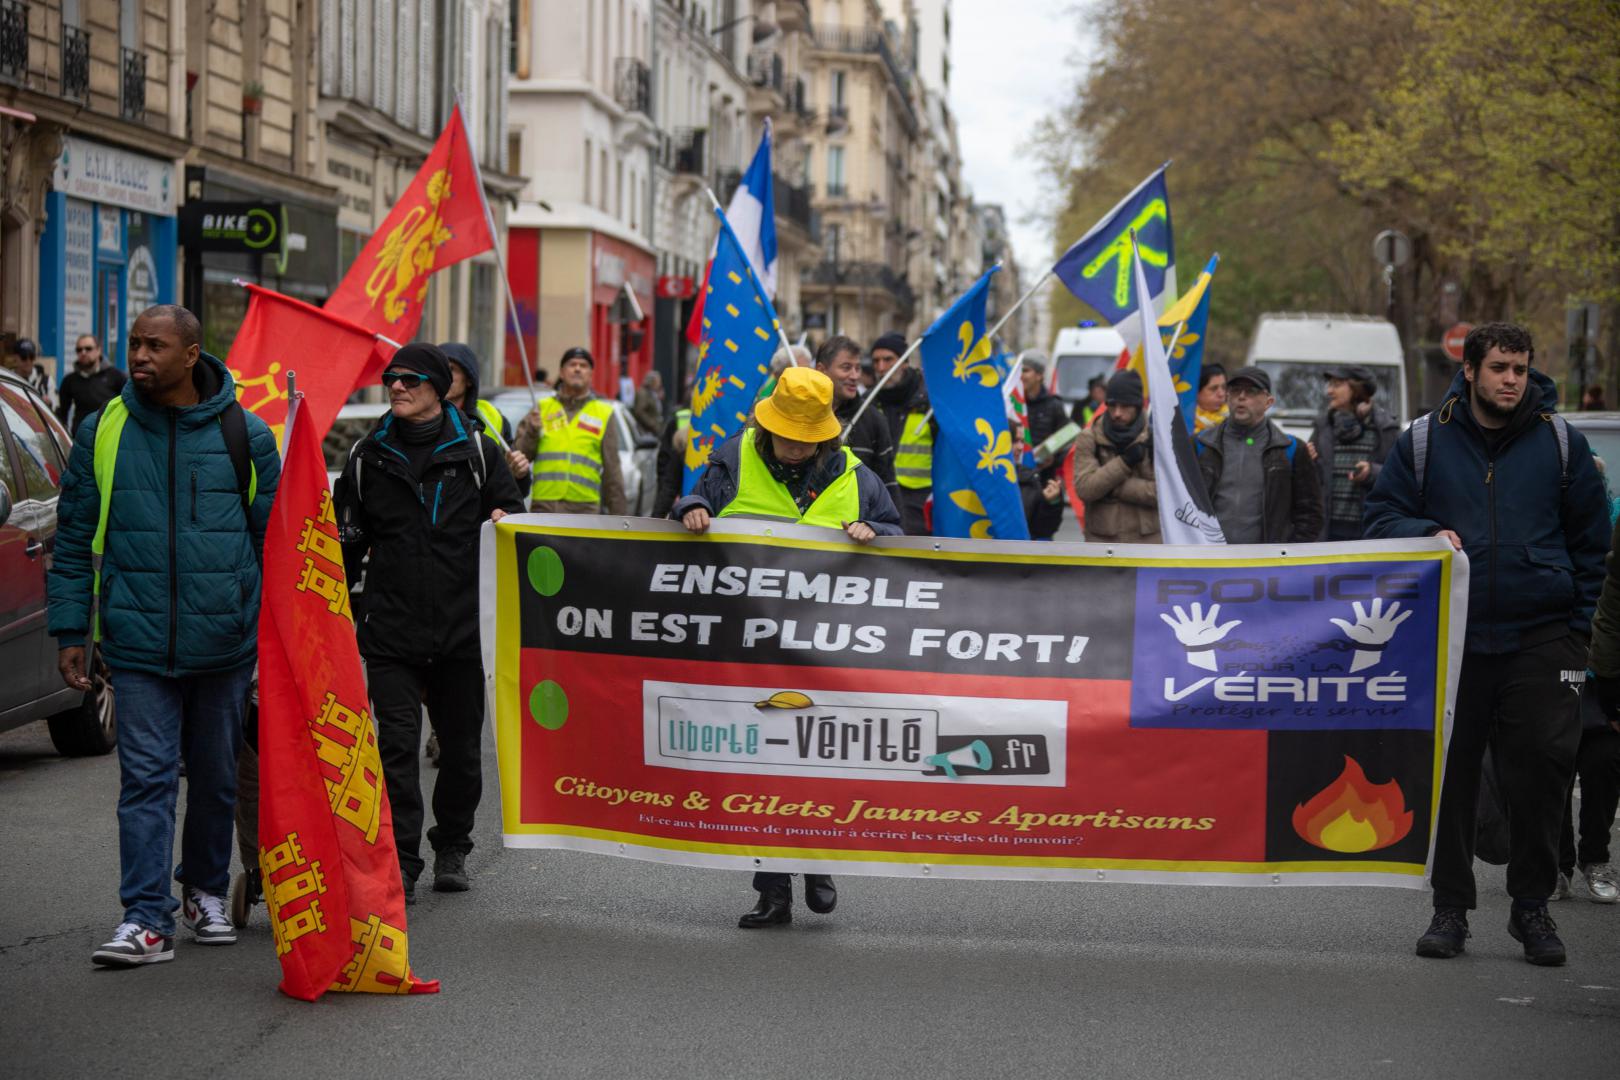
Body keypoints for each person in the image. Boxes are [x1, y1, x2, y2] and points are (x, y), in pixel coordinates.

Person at [1364, 321, 1609, 966]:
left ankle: (1531, 908)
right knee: (1452, 776)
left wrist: (1576, 632)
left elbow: (1592, 544)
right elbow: (1380, 518)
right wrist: (1425, 532)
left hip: (1542, 639)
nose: (1511, 380)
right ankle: (1451, 908)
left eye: (1520, 369)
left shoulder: (1561, 443)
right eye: (1499, 368)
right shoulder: (1424, 441)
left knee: (1542, 775)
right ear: (1470, 371)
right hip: (1452, 638)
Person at [46, 305, 281, 966]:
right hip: (137, 641)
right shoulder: (103, 429)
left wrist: (272, 640)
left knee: (214, 779)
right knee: (146, 780)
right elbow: (73, 539)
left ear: (191, 354)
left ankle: (204, 891)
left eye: (155, 346)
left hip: (225, 643)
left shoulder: (246, 434)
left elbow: (276, 545)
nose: (140, 356)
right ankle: (145, 919)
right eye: (135, 344)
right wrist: (70, 628)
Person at [673, 366, 900, 928]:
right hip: (752, 646)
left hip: (829, 651)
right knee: (763, 769)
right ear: (769, 425)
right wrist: (690, 509)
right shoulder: (732, 459)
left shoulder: (858, 478)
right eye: (787, 436)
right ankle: (772, 892)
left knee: (816, 763)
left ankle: (817, 861)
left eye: (807, 438)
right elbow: (691, 502)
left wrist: (877, 534)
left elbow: (900, 536)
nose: (796, 447)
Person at [333, 344, 524, 901]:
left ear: (439, 388)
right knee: (395, 750)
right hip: (391, 630)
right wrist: (329, 612)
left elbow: (514, 522)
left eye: (410, 379)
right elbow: (345, 547)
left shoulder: (478, 451)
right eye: (391, 378)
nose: (396, 386)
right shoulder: (367, 456)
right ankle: (403, 859)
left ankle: (452, 845)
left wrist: (506, 518)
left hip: (463, 633)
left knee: (461, 752)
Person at [1195, 365, 1322, 543]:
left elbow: (1310, 513)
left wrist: (1287, 552)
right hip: (1207, 554)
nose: (1241, 397)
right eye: (1236, 390)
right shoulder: (1200, 444)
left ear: (1269, 402)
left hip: (1267, 558)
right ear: (1228, 397)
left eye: (1251, 391)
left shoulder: (1291, 449)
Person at [509, 346, 628, 514]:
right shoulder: (541, 409)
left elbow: (613, 473)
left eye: (583, 365)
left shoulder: (604, 413)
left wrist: (621, 521)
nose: (577, 369)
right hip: (544, 509)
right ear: (562, 373)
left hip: (585, 512)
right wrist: (532, 432)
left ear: (591, 375)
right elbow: (517, 460)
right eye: (572, 364)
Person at [1308, 364, 1399, 541]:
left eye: (1336, 385)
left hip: (1368, 535)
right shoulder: (1323, 426)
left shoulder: (1386, 428)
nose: (1329, 391)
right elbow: (1312, 481)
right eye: (1330, 385)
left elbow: (1402, 476)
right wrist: (1308, 460)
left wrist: (1372, 472)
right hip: (1326, 534)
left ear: (1357, 389)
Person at [1072, 370, 1159, 544]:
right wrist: (1124, 462)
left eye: (1125, 406)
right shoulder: (1089, 437)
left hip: (1148, 543)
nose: (1117, 413)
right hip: (1103, 543)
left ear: (1137, 406)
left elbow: (1164, 494)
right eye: (1112, 406)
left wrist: (1113, 488)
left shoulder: (1156, 438)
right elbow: (1085, 489)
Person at [816, 335, 898, 504]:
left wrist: (893, 520)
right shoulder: (804, 413)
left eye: (858, 368)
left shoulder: (873, 419)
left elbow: (887, 483)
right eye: (846, 368)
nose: (855, 376)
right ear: (821, 370)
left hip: (858, 517)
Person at [870, 331, 935, 535]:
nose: (881, 368)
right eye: (876, 361)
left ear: (904, 362)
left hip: (920, 500)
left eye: (888, 360)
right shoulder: (868, 402)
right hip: (878, 497)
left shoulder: (929, 402)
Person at [1019, 354, 1070, 541]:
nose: (1021, 376)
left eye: (1026, 371)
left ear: (1039, 375)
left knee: (1042, 534)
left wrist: (1053, 459)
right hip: (1019, 483)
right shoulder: (1013, 403)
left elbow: (1069, 442)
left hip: (1044, 483)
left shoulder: (1054, 405)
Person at [440, 341, 514, 453]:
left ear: (469, 379)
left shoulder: (492, 417)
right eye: (439, 368)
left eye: (451, 369)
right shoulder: (420, 417)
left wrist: (514, 464)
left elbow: (508, 458)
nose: (444, 375)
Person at [56, 334, 127, 436]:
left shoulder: (116, 376)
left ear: (98, 350)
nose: (83, 353)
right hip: (81, 438)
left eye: (88, 349)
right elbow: (62, 415)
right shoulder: (69, 380)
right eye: (79, 350)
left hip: (109, 435)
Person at [6, 336, 53, 407]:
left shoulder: (47, 381)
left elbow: (56, 409)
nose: (28, 361)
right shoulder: (7, 379)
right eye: (24, 357)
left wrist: (48, 405)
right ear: (15, 357)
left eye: (31, 357)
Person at [1194, 363, 1228, 432]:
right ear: (1197, 392)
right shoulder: (1183, 421)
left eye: (1224, 387)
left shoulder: (1235, 421)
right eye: (1214, 389)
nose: (1221, 394)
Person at [632, 370, 664, 436]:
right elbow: (639, 412)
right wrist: (652, 424)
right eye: (658, 381)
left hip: (653, 429)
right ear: (652, 382)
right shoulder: (643, 394)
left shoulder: (653, 392)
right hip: (645, 430)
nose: (659, 384)